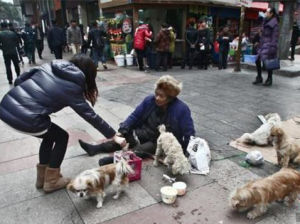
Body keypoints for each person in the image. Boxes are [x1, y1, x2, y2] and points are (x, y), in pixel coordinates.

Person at [0, 54, 124, 193]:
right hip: (27, 118)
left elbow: (19, 80)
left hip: (6, 107)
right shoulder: (73, 86)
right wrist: (114, 135)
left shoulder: (50, 66)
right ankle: (52, 181)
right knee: (62, 137)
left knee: (49, 136)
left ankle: (42, 178)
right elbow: (90, 115)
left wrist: (29, 96)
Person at [79, 75, 195, 166]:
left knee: (140, 150)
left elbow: (189, 132)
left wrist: (184, 152)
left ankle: (114, 160)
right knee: (122, 139)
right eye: (156, 94)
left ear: (170, 98)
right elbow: (134, 116)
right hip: (142, 132)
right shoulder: (149, 100)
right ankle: (95, 149)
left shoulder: (181, 109)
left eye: (161, 96)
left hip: (158, 141)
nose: (157, 98)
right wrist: (123, 129)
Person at [253, 7, 279, 86]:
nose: (265, 13)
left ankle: (269, 79)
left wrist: (272, 47)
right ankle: (259, 77)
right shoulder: (264, 21)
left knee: (268, 62)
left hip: (269, 45)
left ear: (271, 14)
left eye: (267, 12)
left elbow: (275, 37)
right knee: (257, 60)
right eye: (266, 12)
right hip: (262, 44)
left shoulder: (275, 24)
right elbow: (263, 34)